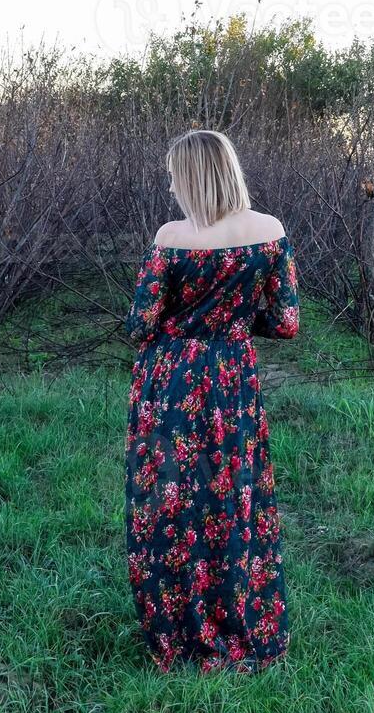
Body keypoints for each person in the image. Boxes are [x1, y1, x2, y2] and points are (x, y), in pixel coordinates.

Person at [123, 128, 300, 674]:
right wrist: (236, 325)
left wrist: (187, 325)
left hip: (172, 382)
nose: (171, 185)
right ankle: (242, 622)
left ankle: (178, 628)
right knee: (234, 499)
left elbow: (140, 323)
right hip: (232, 380)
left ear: (192, 176)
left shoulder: (172, 237)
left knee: (172, 502)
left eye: (175, 175)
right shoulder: (269, 232)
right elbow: (287, 322)